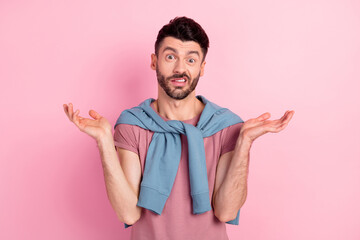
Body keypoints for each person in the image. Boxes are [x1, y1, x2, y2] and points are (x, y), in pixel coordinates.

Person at [63, 16, 294, 240]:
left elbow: (227, 212)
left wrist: (244, 143)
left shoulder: (226, 125)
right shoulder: (133, 124)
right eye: (171, 56)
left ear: (202, 68)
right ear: (154, 61)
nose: (180, 68)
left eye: (191, 60)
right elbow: (128, 213)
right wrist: (104, 140)